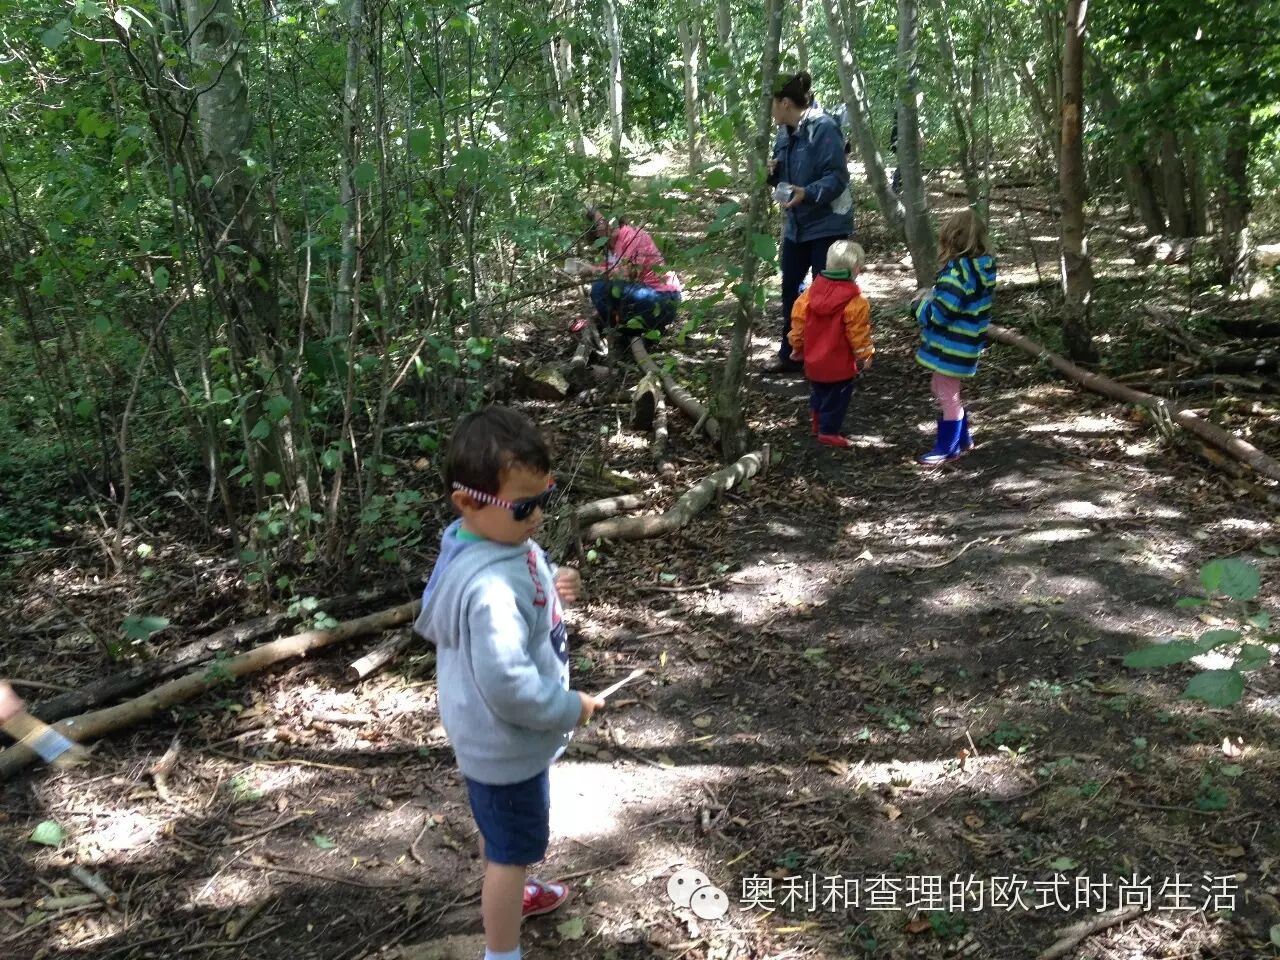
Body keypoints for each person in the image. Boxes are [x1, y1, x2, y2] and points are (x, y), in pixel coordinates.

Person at [413, 406, 605, 960]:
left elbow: (525, 564)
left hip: (496, 741)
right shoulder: (488, 587)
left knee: (500, 835)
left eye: (545, 498)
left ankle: (511, 893)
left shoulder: (491, 540)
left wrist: (553, 578)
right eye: (526, 506)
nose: (539, 516)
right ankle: (503, 949)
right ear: (467, 502)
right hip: (504, 740)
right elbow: (510, 686)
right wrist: (569, 707)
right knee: (512, 851)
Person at [765, 71, 853, 375]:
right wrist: (772, 173)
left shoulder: (824, 127)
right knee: (791, 288)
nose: (770, 111)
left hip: (827, 223)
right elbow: (782, 180)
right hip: (796, 225)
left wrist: (809, 193)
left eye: (772, 104)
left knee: (827, 293)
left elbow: (838, 177)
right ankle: (792, 354)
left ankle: (830, 360)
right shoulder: (783, 133)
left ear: (785, 102)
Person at [913, 209, 997, 465]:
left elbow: (941, 313)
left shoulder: (958, 275)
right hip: (965, 343)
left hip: (952, 345)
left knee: (946, 393)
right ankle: (963, 437)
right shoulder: (981, 269)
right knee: (942, 388)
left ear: (950, 240)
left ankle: (947, 447)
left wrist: (919, 305)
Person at [788, 240, 874, 448]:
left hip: (814, 361)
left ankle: (818, 423)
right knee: (837, 399)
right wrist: (865, 354)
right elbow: (858, 332)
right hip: (839, 364)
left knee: (818, 391)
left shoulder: (809, 294)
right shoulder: (856, 301)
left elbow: (798, 322)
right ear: (855, 270)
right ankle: (828, 431)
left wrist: (797, 346)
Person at [584, 207, 682, 346]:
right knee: (602, 288)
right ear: (595, 232)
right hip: (644, 299)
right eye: (601, 222)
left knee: (600, 286)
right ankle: (623, 331)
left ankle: (620, 330)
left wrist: (591, 270)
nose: (609, 224)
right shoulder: (609, 250)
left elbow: (629, 273)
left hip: (663, 299)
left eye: (611, 218)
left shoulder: (632, 235)